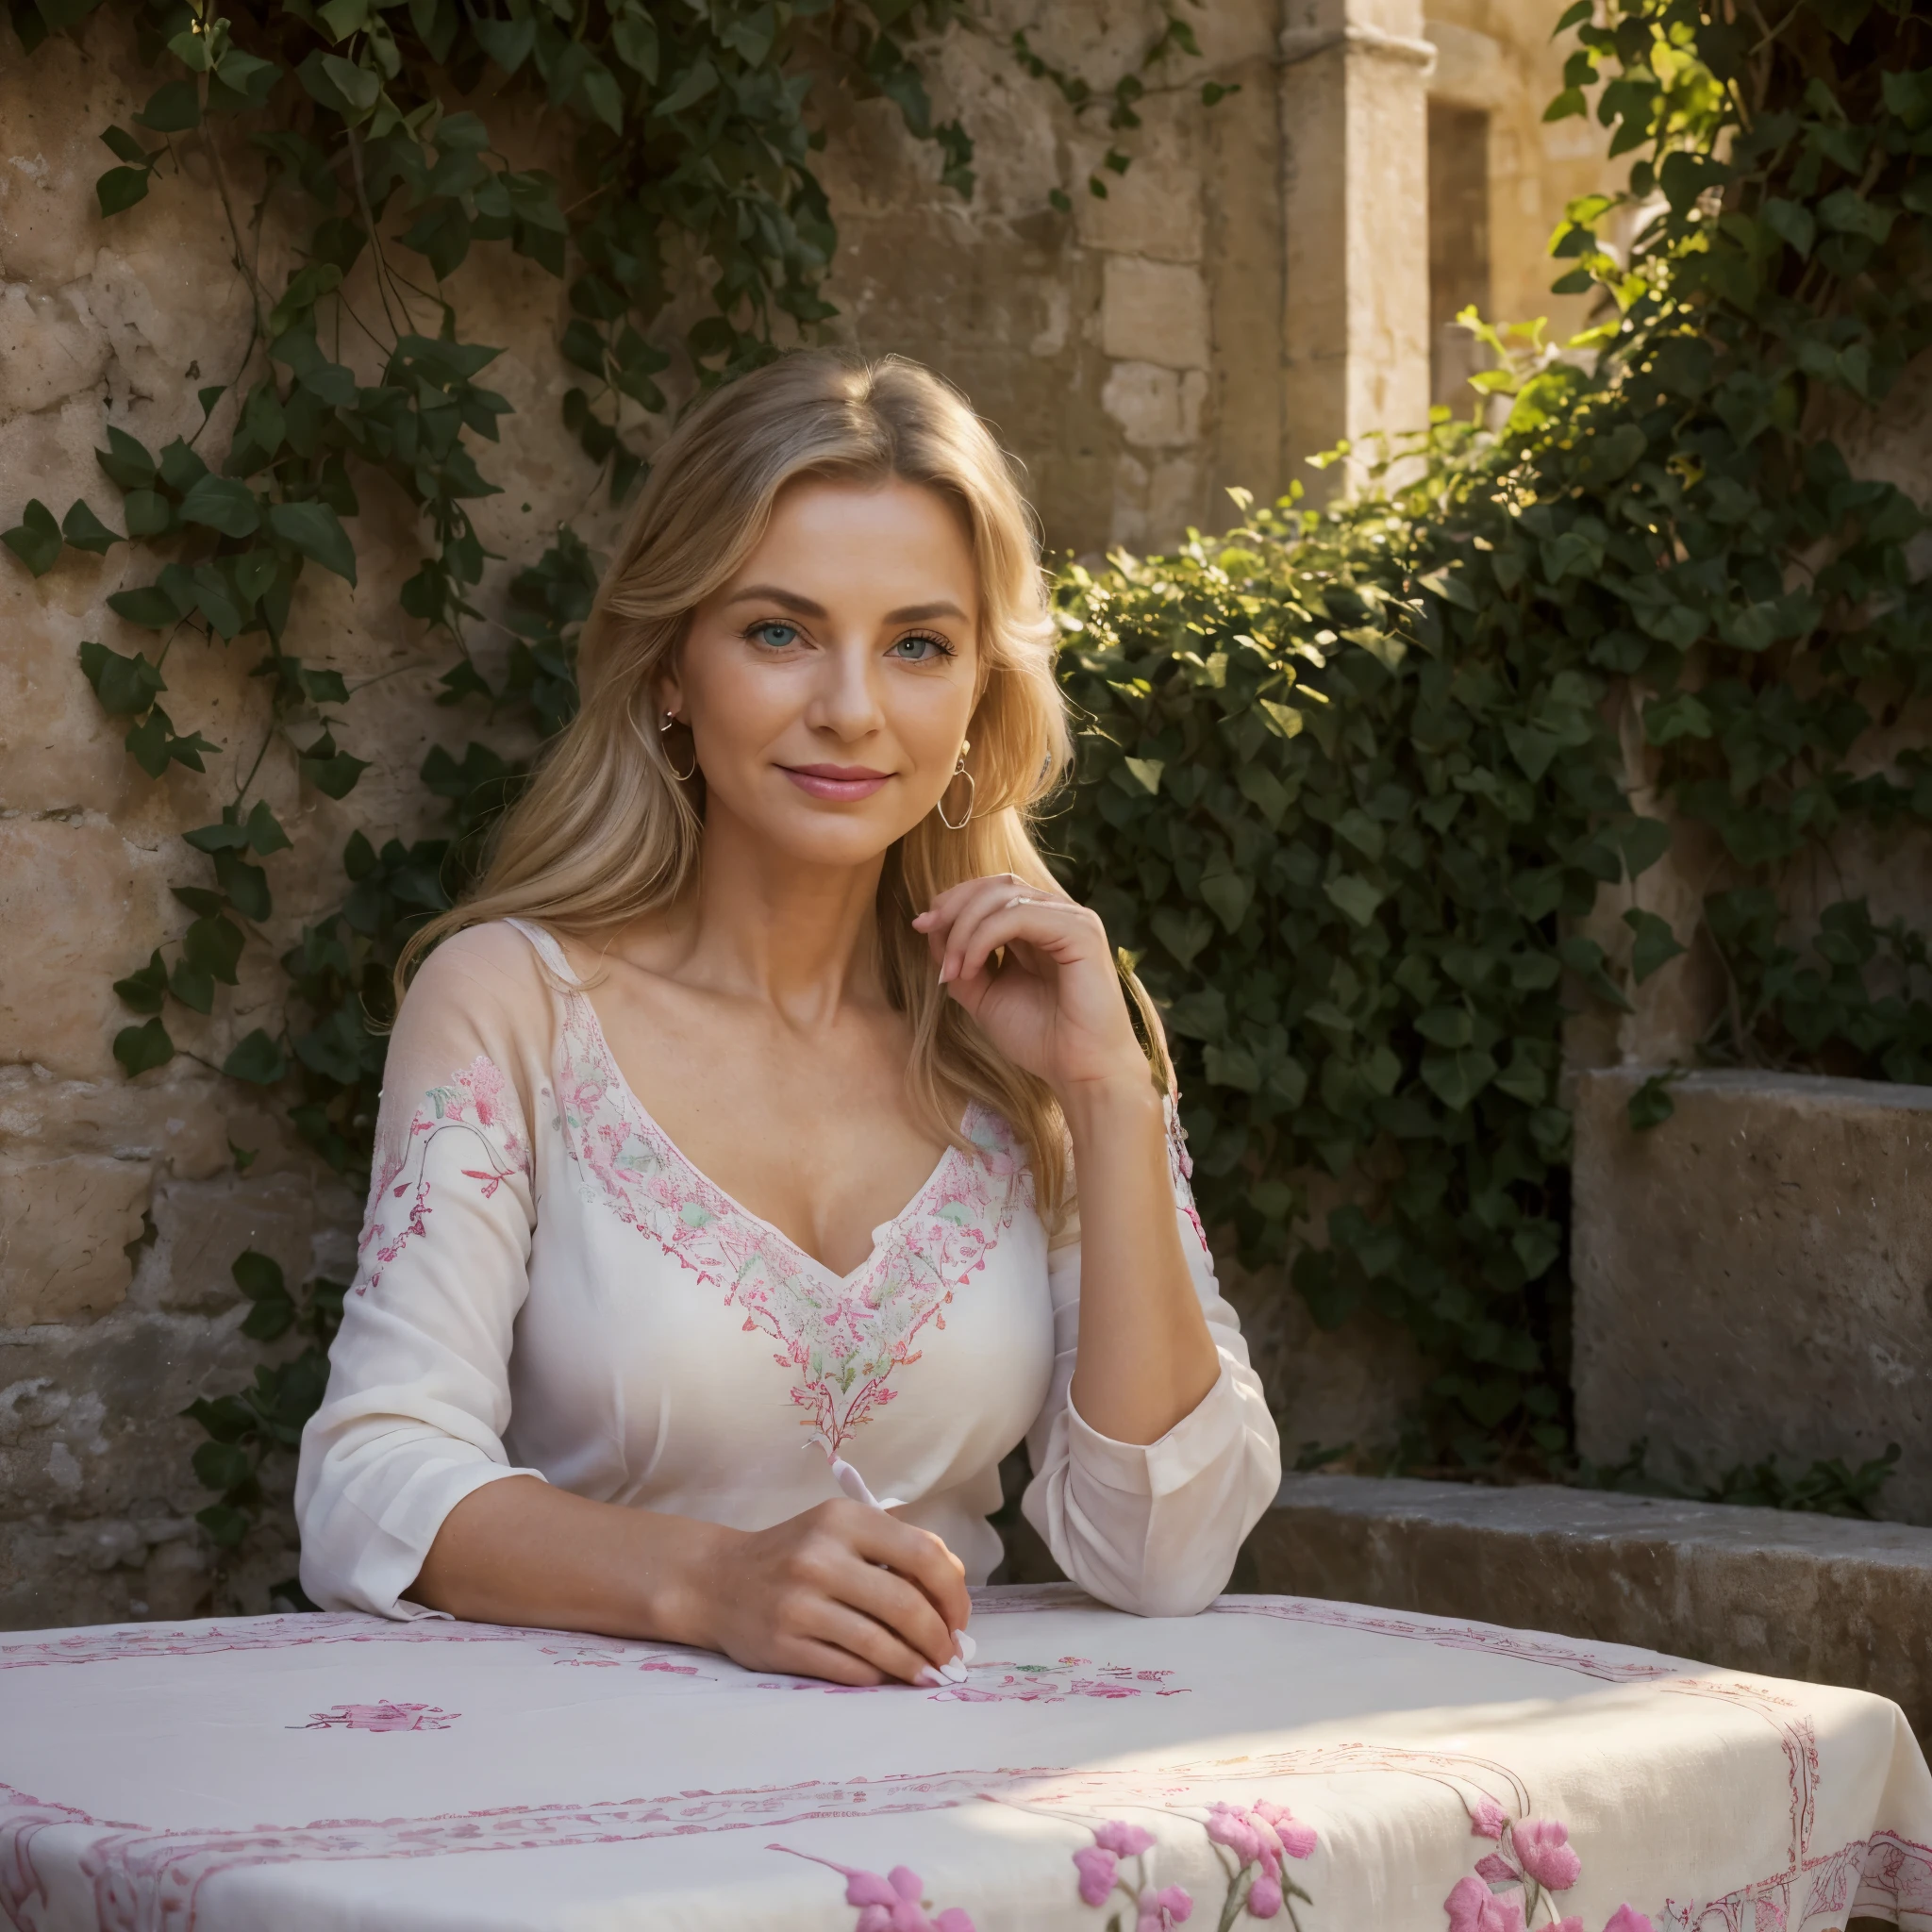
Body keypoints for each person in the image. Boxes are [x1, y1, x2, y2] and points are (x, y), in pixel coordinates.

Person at [294, 350, 1280, 1691]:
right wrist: (711, 1581)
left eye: (920, 646)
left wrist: (1108, 1096)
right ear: (669, 671)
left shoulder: (1038, 1040)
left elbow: (1162, 1556)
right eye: (779, 631)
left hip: (954, 1813)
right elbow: (371, 1480)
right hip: (583, 1805)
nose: (852, 709)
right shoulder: (513, 1005)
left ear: (981, 699)